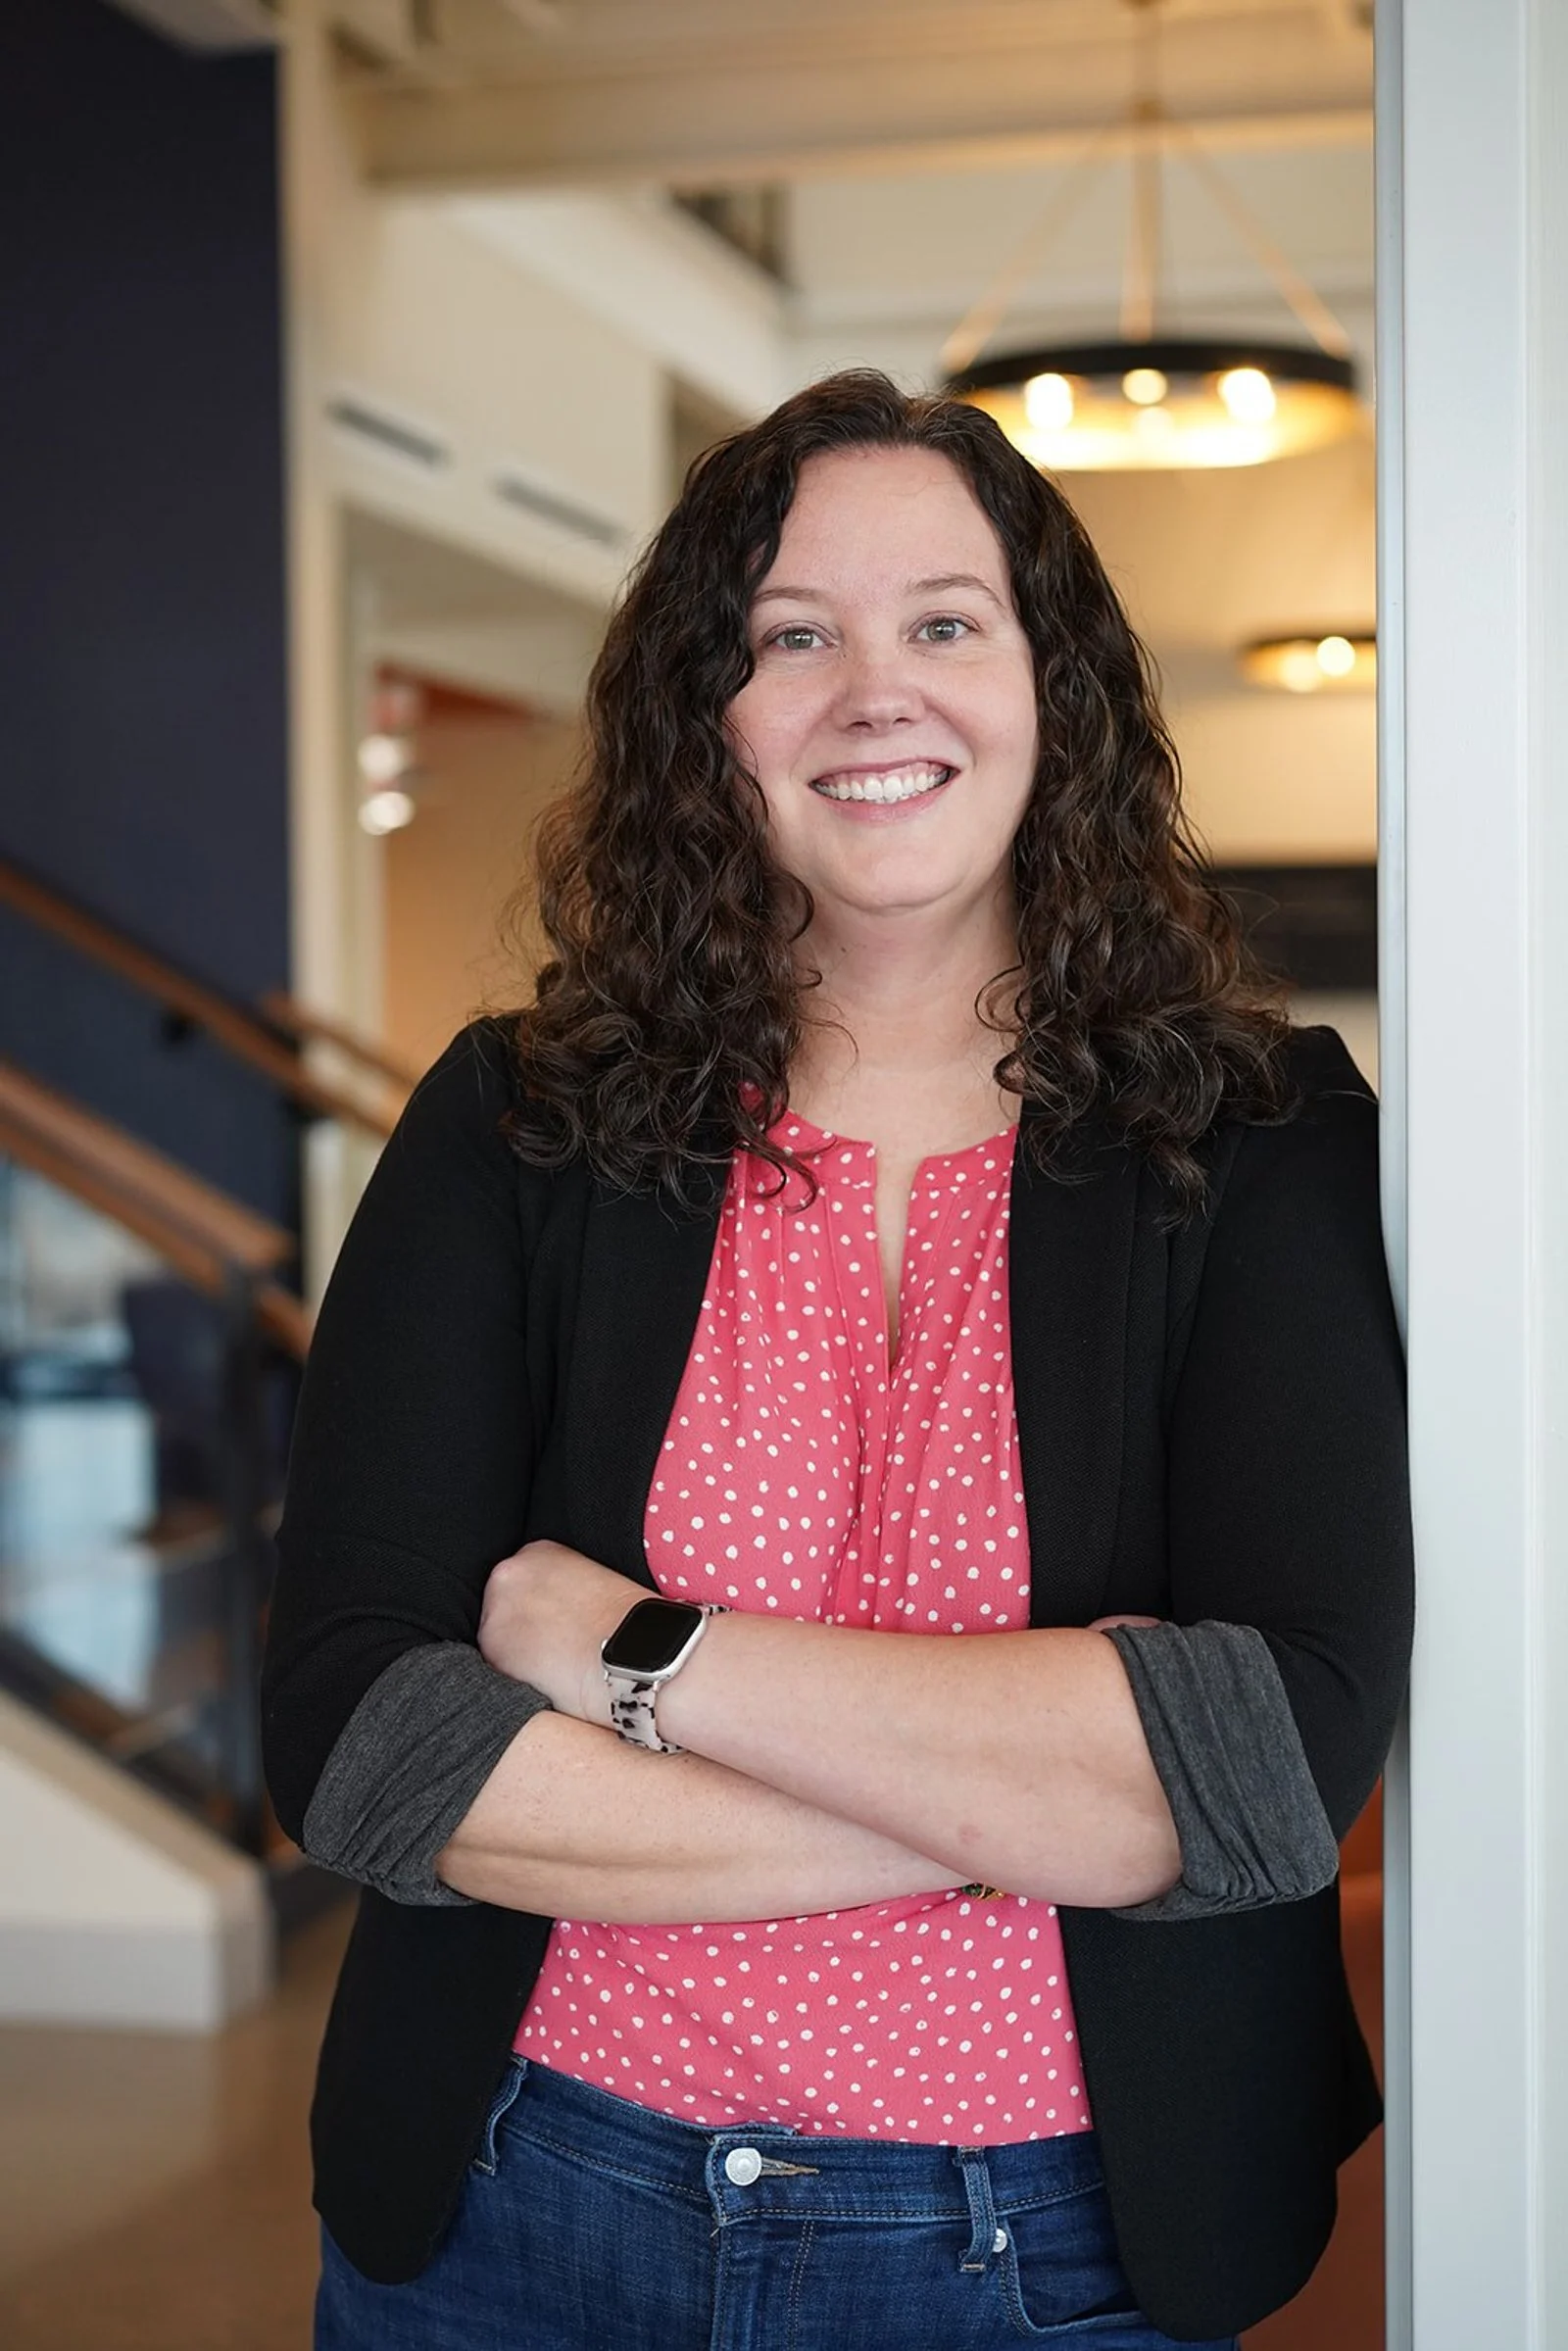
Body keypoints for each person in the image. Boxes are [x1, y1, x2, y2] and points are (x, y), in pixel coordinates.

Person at [262, 369, 1413, 2350]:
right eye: (793, 635)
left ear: (1047, 689)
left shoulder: (1261, 1134)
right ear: (703, 721)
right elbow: (362, 1738)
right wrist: (1022, 1804)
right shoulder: (519, 1120)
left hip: (1059, 2246)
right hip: (514, 2206)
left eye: (942, 624)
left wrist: (637, 1653)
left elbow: (1268, 1757)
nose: (876, 693)